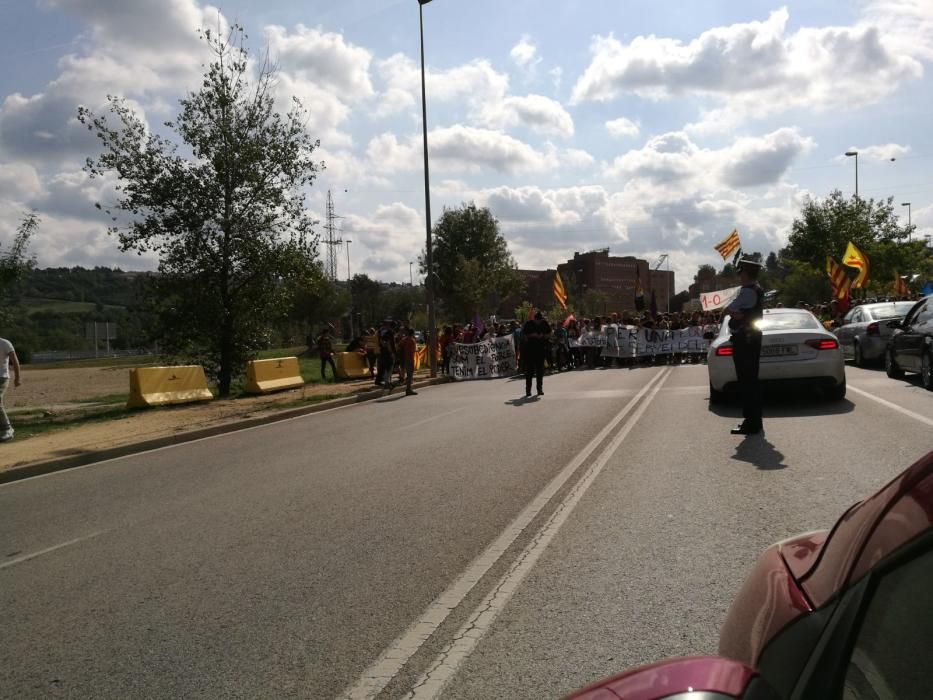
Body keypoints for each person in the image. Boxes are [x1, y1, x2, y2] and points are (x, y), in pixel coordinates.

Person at [726, 258, 765, 436]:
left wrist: (735, 313)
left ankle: (752, 423)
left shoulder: (748, 291)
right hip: (750, 339)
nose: (739, 276)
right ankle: (753, 421)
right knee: (750, 381)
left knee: (747, 381)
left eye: (740, 272)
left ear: (746, 273)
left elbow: (730, 309)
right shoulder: (754, 289)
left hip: (746, 340)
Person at [521, 311, 551, 397]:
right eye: (537, 320)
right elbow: (524, 335)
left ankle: (539, 389)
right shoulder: (528, 324)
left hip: (541, 350)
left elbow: (549, 333)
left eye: (540, 320)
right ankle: (528, 390)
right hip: (530, 350)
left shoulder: (544, 323)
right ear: (534, 319)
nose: (539, 322)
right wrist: (532, 335)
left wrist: (543, 336)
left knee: (540, 371)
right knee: (529, 372)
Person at [0, 336, 21, 442]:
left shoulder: (5, 343)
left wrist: (17, 378)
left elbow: (15, 361)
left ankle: (8, 429)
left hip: (2, 377)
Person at [378, 319, 397, 393]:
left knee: (387, 368)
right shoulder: (390, 333)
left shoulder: (383, 333)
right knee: (390, 368)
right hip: (389, 353)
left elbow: (381, 342)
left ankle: (388, 382)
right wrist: (392, 352)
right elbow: (389, 343)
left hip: (383, 353)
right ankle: (387, 383)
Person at [399, 327, 418, 396]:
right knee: (410, 375)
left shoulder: (403, 339)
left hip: (403, 358)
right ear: (413, 333)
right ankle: (408, 390)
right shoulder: (412, 340)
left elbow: (399, 346)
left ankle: (408, 389)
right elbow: (413, 351)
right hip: (410, 359)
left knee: (407, 374)